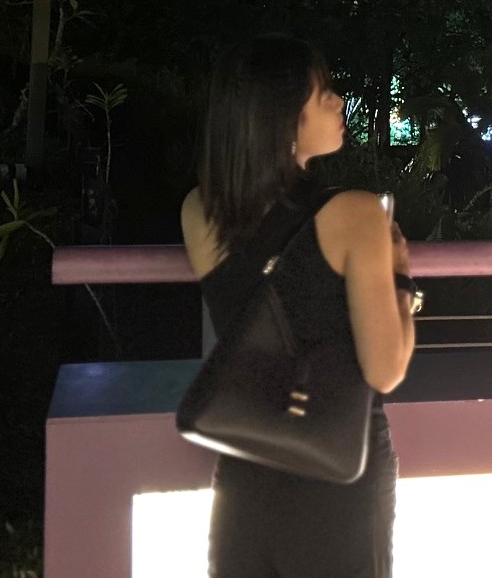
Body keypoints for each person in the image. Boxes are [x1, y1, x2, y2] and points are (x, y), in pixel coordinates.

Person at [181, 35, 418, 578]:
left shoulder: (199, 210)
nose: (339, 101)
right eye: (323, 92)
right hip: (338, 476)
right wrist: (402, 278)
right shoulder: (357, 214)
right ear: (283, 116)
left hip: (244, 468)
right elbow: (386, 370)